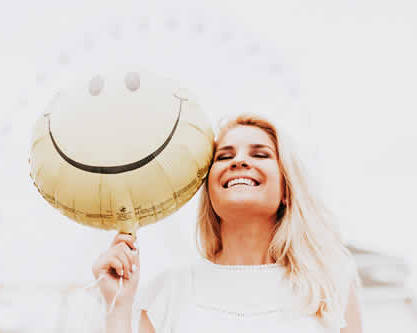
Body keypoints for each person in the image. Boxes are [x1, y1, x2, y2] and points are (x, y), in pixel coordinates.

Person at [92, 114, 364, 333]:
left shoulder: (330, 285)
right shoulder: (167, 293)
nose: (239, 161)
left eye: (260, 154)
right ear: (209, 191)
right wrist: (117, 307)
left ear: (286, 188)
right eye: (224, 156)